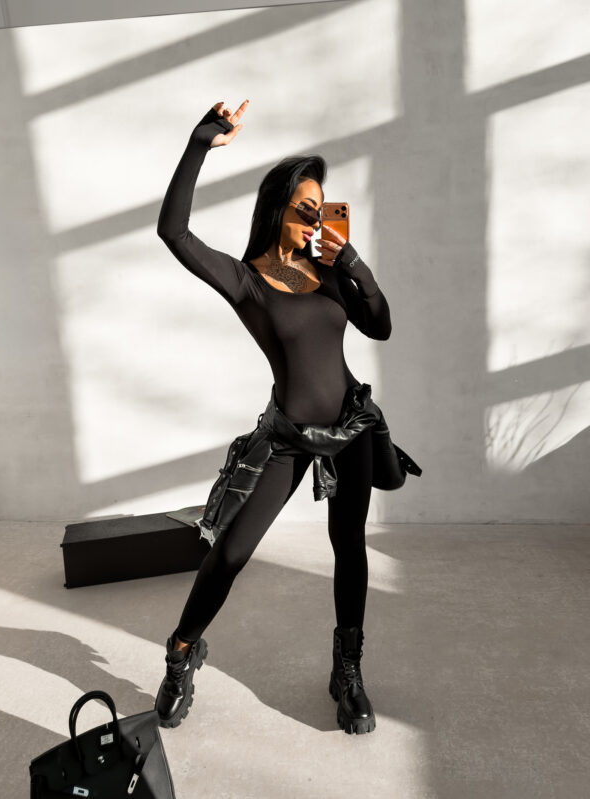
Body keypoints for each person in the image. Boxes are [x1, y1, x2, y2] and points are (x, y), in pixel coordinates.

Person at [154, 99, 392, 735]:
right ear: (278, 208)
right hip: (287, 436)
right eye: (306, 208)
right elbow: (174, 233)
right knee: (231, 551)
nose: (317, 217)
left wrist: (351, 262)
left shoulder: (329, 270)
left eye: (323, 207)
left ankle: (347, 671)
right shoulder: (247, 281)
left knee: (349, 546)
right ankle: (181, 653)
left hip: (351, 428)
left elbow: (381, 325)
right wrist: (198, 146)